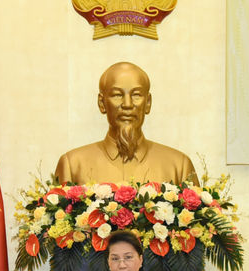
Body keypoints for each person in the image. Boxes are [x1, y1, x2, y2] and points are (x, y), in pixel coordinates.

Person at [55, 62, 197, 186]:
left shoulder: (179, 166)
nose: (127, 104)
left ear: (148, 103)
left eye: (136, 95)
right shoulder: (73, 165)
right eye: (117, 95)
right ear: (102, 103)